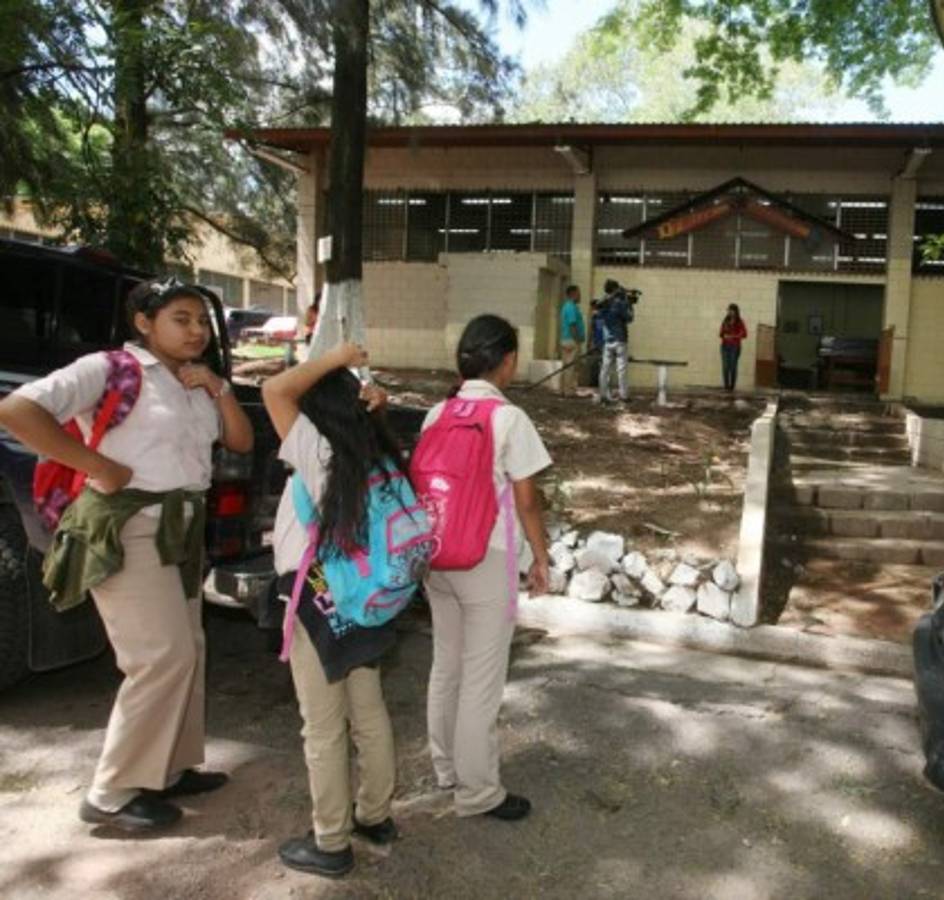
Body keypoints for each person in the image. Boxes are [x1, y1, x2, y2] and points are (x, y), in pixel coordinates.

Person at [0, 278, 254, 831]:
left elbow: (240, 442)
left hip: (181, 530)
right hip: (127, 527)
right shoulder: (111, 368)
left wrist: (218, 386)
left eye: (200, 322)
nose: (195, 331)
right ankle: (112, 791)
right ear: (145, 323)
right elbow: (18, 410)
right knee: (160, 656)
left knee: (190, 646)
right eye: (180, 319)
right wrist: (97, 466)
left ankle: (170, 766)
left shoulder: (193, 381)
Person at [262, 341, 401, 878]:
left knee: (322, 727)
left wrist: (336, 356)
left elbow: (275, 389)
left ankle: (332, 842)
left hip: (318, 598)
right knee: (368, 712)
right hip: (366, 599)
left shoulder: (315, 450)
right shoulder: (374, 446)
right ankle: (375, 815)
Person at [421, 314, 551, 822]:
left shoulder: (438, 413)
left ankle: (447, 769)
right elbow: (527, 500)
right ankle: (478, 793)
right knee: (481, 680)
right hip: (487, 558)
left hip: (436, 556)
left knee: (445, 667)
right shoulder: (509, 419)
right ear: (508, 361)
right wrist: (540, 557)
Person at [597, 280, 633, 404]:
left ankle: (603, 395)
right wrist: (629, 304)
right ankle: (623, 395)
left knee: (605, 369)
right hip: (620, 339)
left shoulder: (603, 303)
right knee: (621, 369)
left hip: (608, 340)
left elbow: (599, 317)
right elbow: (629, 318)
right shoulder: (618, 303)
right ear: (615, 289)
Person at [558, 284, 586, 397]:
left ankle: (563, 389)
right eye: (579, 293)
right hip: (571, 340)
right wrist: (577, 339)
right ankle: (569, 391)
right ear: (573, 294)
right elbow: (572, 324)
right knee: (571, 367)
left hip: (566, 338)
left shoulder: (567, 306)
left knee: (566, 365)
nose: (580, 296)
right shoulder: (571, 307)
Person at [719, 303, 748, 391]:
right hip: (724, 346)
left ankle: (732, 387)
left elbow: (744, 334)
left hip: (735, 347)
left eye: (731, 310)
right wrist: (724, 335)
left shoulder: (740, 321)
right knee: (725, 367)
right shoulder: (725, 321)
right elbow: (721, 333)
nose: (729, 312)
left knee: (733, 366)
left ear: (735, 311)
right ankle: (726, 386)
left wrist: (733, 336)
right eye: (728, 310)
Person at [587, 299, 604, 388]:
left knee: (595, 363)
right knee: (599, 363)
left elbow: (597, 331)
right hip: (601, 343)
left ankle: (595, 382)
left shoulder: (597, 316)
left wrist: (590, 343)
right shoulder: (602, 316)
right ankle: (598, 382)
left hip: (598, 343)